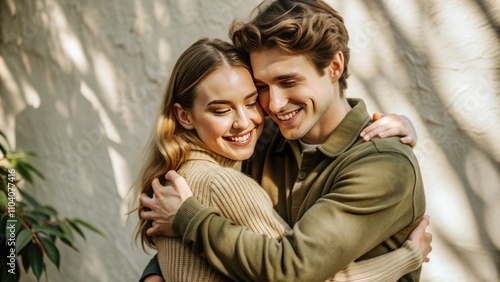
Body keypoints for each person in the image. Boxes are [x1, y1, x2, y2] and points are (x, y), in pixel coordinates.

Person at [140, 0, 430, 281]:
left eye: (289, 82)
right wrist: (155, 273)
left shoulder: (382, 165)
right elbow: (216, 236)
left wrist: (188, 219)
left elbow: (291, 270)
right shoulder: (262, 140)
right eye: (262, 88)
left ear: (334, 66)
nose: (275, 104)